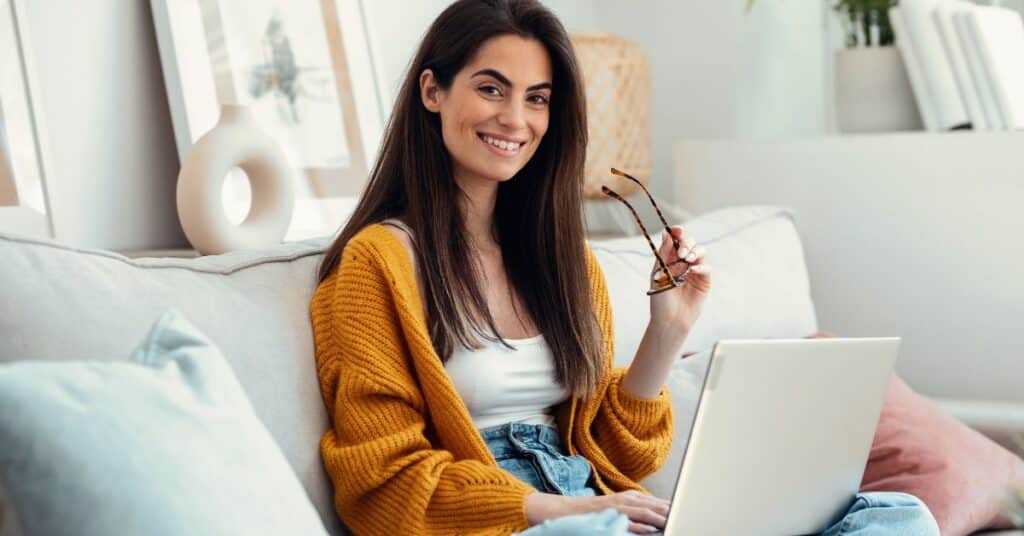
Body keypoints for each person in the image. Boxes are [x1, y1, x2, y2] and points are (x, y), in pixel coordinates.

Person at [309, 1, 939, 534]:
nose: (515, 119)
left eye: (538, 99)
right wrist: (569, 509)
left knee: (896, 515)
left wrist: (666, 332)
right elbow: (379, 484)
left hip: (595, 503)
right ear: (432, 91)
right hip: (511, 518)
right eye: (491, 88)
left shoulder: (563, 261)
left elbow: (613, 458)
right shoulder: (379, 264)